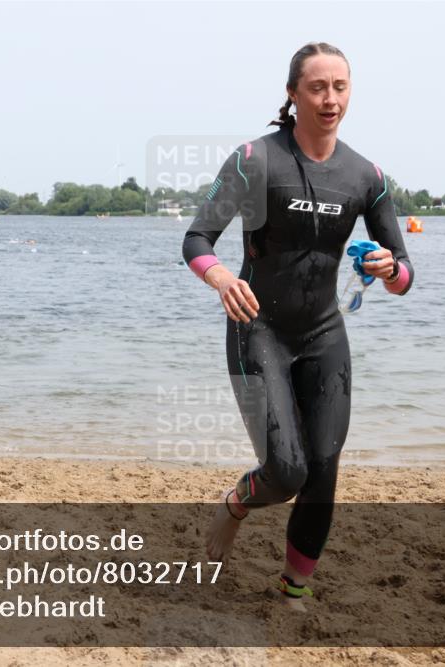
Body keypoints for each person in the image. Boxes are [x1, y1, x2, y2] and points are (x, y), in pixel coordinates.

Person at [181, 42, 414, 608]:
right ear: (292, 93)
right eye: (317, 87)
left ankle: (293, 588)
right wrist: (219, 280)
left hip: (324, 335)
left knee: (324, 467)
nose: (330, 99)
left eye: (340, 87)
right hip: (256, 328)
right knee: (286, 472)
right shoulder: (254, 160)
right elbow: (196, 239)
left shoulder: (367, 176)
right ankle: (237, 503)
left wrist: (387, 268)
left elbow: (405, 273)